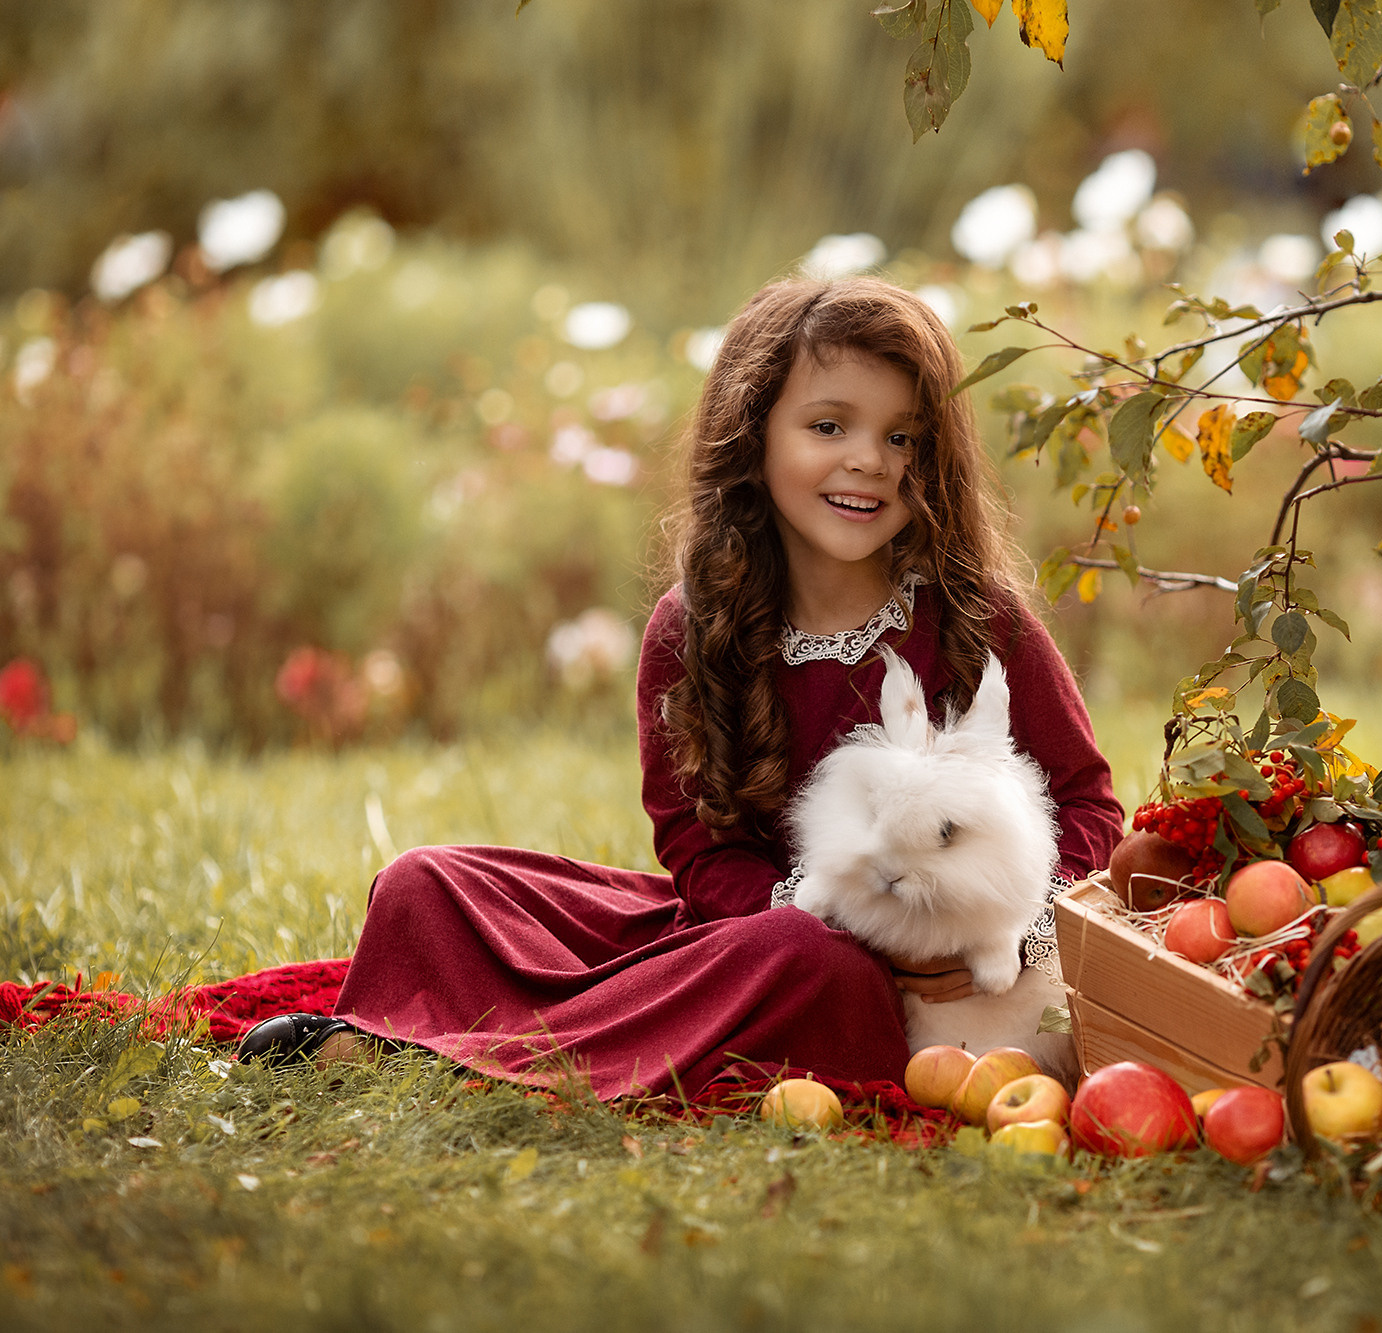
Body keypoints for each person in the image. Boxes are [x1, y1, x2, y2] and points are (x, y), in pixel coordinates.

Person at [237, 277, 1125, 1100]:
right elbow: (700, 857)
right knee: (428, 882)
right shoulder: (692, 626)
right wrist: (830, 915)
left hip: (883, 988)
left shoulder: (978, 617)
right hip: (763, 935)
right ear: (755, 434)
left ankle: (453, 1053)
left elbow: (1087, 804)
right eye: (828, 427)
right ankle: (516, 1037)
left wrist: (1002, 928)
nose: (869, 461)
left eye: (902, 437)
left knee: (809, 963)